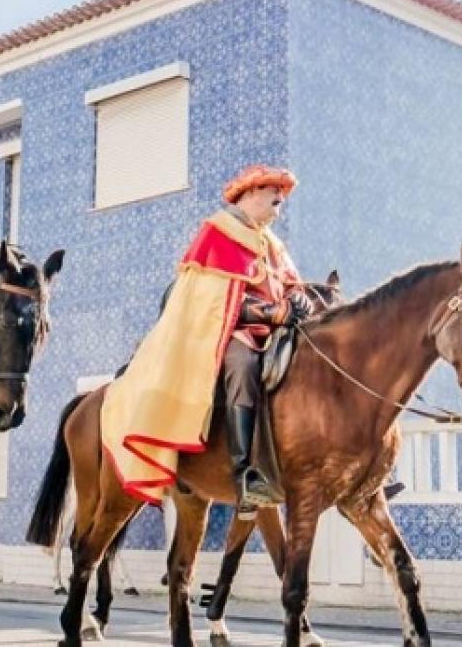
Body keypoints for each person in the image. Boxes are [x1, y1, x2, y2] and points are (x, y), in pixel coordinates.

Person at [101, 164, 311, 518]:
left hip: (277, 332)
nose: (280, 198)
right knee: (242, 363)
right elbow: (211, 299)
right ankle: (246, 472)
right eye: (272, 190)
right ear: (247, 194)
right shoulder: (218, 233)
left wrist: (297, 299)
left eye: (283, 193)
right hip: (225, 333)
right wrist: (269, 313)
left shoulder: (271, 242)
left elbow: (289, 283)